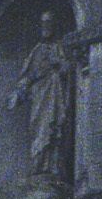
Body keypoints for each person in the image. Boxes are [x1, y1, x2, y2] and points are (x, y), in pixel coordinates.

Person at [9, 10, 73, 183]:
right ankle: (39, 168)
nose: (46, 27)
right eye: (43, 23)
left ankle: (53, 168)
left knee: (54, 129)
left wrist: (59, 65)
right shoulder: (35, 51)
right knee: (40, 130)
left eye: (49, 23)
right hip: (39, 98)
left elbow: (70, 69)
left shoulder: (60, 48)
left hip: (55, 94)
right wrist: (18, 93)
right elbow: (26, 78)